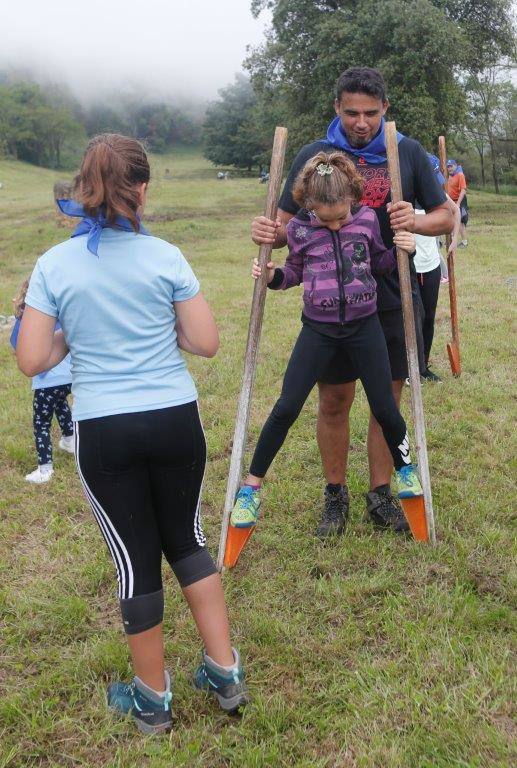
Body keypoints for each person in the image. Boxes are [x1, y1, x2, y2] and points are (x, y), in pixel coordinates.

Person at [16, 134, 249, 734]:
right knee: (187, 541)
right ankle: (225, 672)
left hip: (107, 429)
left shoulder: (53, 265)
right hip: (175, 418)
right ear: (143, 189)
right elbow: (205, 342)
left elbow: (33, 359)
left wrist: (76, 335)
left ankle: (152, 698)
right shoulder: (167, 256)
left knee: (134, 561)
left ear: (80, 191)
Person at [250, 67, 453, 537]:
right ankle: (335, 494)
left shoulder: (407, 152)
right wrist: (266, 234)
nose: (361, 123)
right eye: (350, 113)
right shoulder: (313, 156)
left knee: (388, 401)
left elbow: (446, 217)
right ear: (336, 110)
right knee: (335, 399)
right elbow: (284, 231)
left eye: (371, 113)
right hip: (328, 309)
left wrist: (416, 223)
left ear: (385, 111)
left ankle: (381, 493)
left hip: (391, 295)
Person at [230, 152, 423, 532]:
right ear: (308, 205)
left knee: (385, 406)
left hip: (364, 327)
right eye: (325, 217)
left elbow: (381, 263)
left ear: (353, 197)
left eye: (341, 216)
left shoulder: (367, 219)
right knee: (287, 406)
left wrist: (405, 249)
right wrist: (272, 276)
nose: (334, 225)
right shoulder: (301, 230)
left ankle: (404, 471)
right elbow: (295, 274)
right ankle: (251, 488)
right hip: (318, 331)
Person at [10, 278, 74, 484]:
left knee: (41, 424)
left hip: (48, 380)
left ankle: (45, 469)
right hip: (69, 377)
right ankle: (69, 440)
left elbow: (17, 345)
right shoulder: (61, 311)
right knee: (59, 403)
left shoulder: (29, 318)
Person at [413, 155, 461, 383]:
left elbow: (455, 212)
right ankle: (410, 367)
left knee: (428, 318)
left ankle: (424, 366)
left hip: (431, 267)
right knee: (414, 317)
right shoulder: (405, 195)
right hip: (409, 268)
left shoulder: (438, 198)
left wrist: (453, 239)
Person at [446, 159, 468, 246]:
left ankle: (464, 242)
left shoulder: (460, 175)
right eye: (448, 167)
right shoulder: (450, 175)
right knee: (451, 221)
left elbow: (463, 190)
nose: (449, 168)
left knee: (461, 221)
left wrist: (458, 203)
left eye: (451, 166)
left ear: (455, 166)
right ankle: (451, 241)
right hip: (452, 201)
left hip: (460, 201)